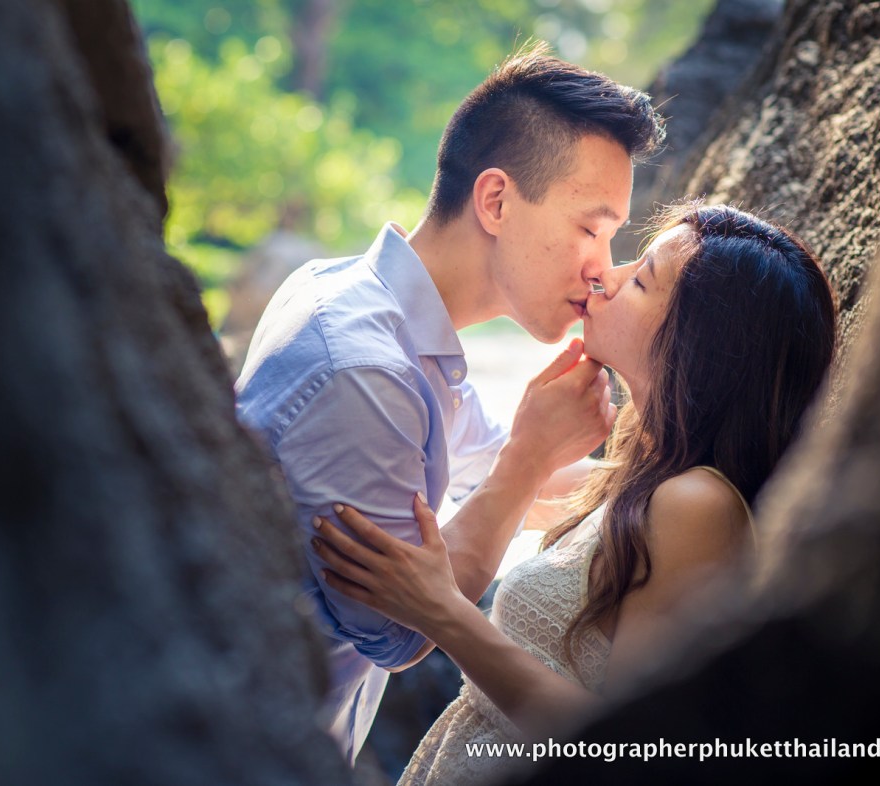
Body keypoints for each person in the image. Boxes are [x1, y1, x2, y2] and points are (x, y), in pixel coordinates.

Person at [234, 42, 665, 763]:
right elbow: (395, 630)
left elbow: (506, 478)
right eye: (591, 227)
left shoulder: (390, 319)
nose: (601, 266)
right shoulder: (365, 371)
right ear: (495, 200)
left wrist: (686, 478)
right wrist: (528, 459)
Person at [310, 203, 839, 784]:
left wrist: (443, 612)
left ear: (701, 345)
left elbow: (635, 751)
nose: (604, 277)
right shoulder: (641, 479)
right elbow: (513, 487)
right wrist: (530, 448)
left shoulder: (697, 506)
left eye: (640, 279)